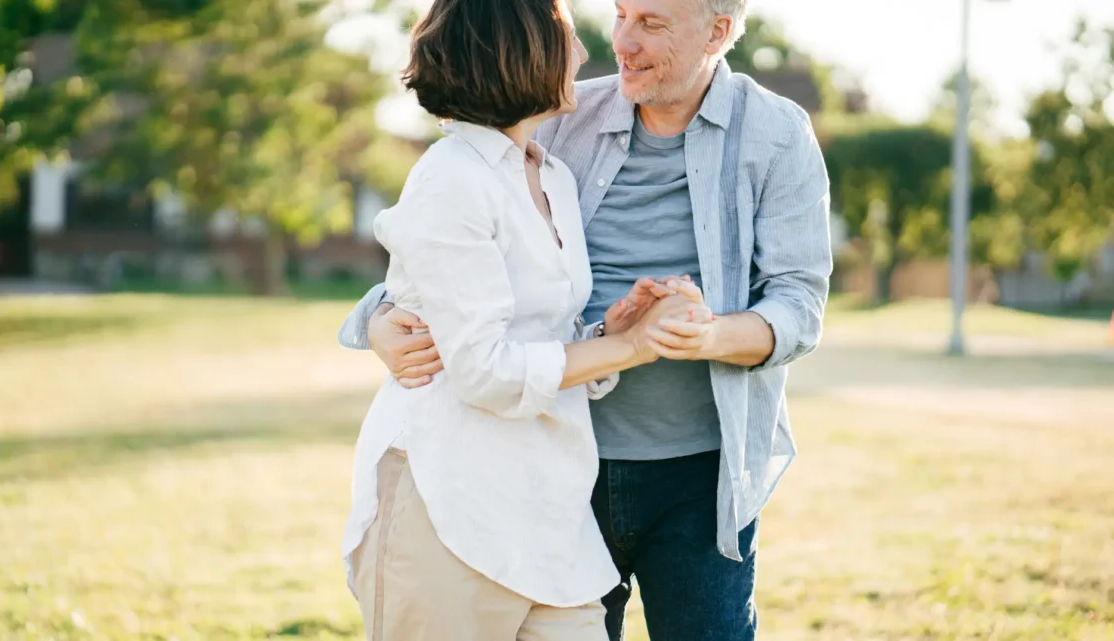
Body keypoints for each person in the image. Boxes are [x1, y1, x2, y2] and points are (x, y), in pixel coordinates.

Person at [342, 0, 834, 638]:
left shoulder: (773, 134)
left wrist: (704, 335)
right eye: (621, 14)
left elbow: (798, 302)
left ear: (718, 31)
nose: (620, 42)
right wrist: (380, 314)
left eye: (651, 23)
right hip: (559, 467)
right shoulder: (556, 121)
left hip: (699, 475)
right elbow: (446, 258)